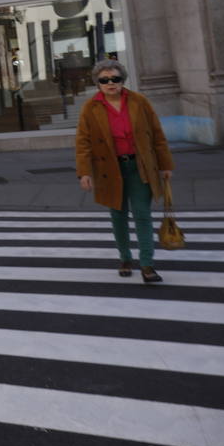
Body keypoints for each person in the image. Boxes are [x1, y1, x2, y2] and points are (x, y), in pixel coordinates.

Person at [75, 59, 174, 283]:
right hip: (109, 169)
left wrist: (166, 165)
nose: (110, 83)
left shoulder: (139, 101)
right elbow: (83, 142)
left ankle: (147, 265)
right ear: (98, 83)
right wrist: (85, 172)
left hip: (139, 166)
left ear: (122, 80)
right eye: (104, 80)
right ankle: (125, 258)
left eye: (115, 79)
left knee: (142, 214)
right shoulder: (90, 108)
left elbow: (157, 135)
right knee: (118, 216)